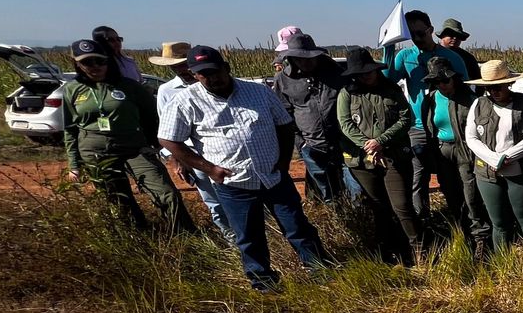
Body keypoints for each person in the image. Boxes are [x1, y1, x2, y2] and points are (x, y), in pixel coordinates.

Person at [160, 46, 330, 291]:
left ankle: (319, 270)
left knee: (297, 226)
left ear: (226, 67)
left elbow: (284, 125)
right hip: (234, 183)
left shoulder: (259, 92)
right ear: (195, 75)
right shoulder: (185, 101)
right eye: (203, 74)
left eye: (215, 71)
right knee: (249, 236)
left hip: (273, 176)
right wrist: (208, 168)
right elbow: (168, 139)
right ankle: (263, 283)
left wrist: (283, 161)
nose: (211, 77)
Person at [60, 38, 193, 235]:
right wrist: (74, 165)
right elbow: (70, 129)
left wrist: (158, 147)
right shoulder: (72, 89)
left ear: (108, 61)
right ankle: (139, 238)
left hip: (134, 147)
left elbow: (153, 118)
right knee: (118, 200)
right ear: (77, 64)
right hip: (95, 151)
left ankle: (184, 234)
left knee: (166, 193)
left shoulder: (129, 86)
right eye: (87, 62)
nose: (95, 66)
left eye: (99, 61)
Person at [337, 47, 420, 266]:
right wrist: (368, 146)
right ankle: (389, 252)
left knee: (402, 206)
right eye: (361, 73)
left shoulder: (391, 89)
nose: (366, 76)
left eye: (369, 72)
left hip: (393, 155)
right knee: (378, 207)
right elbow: (345, 124)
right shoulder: (347, 93)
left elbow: (405, 118)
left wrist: (380, 141)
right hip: (362, 159)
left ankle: (417, 250)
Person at [384, 9, 469, 220]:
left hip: (447, 128)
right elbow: (388, 80)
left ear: (431, 30)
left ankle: (460, 217)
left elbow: (466, 88)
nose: (417, 38)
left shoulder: (451, 57)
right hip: (418, 127)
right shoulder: (405, 56)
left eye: (421, 33)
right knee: (418, 177)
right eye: (412, 35)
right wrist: (388, 47)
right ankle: (423, 220)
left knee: (452, 175)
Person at [149, 41, 234, 242]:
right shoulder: (167, 91)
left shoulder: (219, 83)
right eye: (174, 66)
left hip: (225, 151)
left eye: (183, 64)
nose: (181, 70)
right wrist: (177, 160)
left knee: (241, 198)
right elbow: (167, 132)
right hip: (192, 157)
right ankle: (232, 240)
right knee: (213, 202)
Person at [465, 62, 523, 258]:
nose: (494, 92)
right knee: (499, 223)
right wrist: (494, 159)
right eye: (489, 88)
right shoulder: (478, 104)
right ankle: (503, 265)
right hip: (487, 172)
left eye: (498, 86)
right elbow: (471, 138)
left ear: (509, 84)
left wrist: (507, 157)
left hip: (520, 170)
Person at [274, 33, 358, 204]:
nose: (306, 62)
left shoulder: (336, 73)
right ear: (291, 58)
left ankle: (360, 219)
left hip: (344, 141)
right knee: (326, 190)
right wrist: (301, 142)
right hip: (311, 144)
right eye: (300, 59)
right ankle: (338, 222)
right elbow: (284, 114)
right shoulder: (283, 80)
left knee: (355, 187)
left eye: (309, 58)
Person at [424, 56, 492, 256]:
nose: (441, 85)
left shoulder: (470, 100)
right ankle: (462, 235)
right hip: (443, 151)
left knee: (471, 196)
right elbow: (430, 128)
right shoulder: (431, 99)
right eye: (436, 82)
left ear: (454, 78)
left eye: (445, 80)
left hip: (466, 152)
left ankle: (481, 238)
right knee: (452, 195)